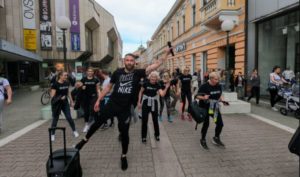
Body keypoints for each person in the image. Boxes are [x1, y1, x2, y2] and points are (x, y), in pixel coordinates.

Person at [75, 48, 172, 171]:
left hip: (125, 108)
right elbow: (108, 87)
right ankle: (83, 141)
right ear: (124, 61)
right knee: (98, 121)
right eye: (127, 60)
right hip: (112, 104)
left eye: (132, 60)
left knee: (124, 132)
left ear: (134, 63)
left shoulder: (138, 73)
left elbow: (157, 64)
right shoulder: (117, 72)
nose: (130, 62)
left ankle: (123, 155)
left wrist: (166, 53)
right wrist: (99, 100)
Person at [196, 72, 228, 150]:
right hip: (205, 108)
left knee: (220, 124)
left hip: (214, 108)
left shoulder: (218, 85)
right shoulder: (204, 86)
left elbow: (219, 95)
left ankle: (216, 138)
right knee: (206, 124)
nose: (218, 80)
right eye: (216, 79)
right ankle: (202, 139)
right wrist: (204, 98)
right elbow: (196, 96)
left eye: (218, 79)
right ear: (211, 79)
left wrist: (223, 100)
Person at [138, 71, 170, 143]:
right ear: (150, 77)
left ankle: (157, 135)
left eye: (155, 77)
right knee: (144, 121)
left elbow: (162, 95)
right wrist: (139, 102)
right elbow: (140, 92)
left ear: (156, 78)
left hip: (154, 103)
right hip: (145, 103)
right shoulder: (145, 83)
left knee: (155, 120)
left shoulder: (158, 85)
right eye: (152, 77)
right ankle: (144, 137)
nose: (153, 78)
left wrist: (166, 88)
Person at [50, 71, 79, 141]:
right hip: (57, 104)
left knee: (69, 117)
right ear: (60, 76)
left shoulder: (66, 83)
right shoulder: (55, 84)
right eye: (65, 75)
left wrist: (71, 101)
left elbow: (68, 93)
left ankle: (74, 131)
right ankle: (52, 134)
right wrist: (60, 98)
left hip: (65, 103)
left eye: (66, 75)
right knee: (55, 119)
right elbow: (52, 96)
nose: (66, 77)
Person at [80, 68, 101, 133]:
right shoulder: (83, 79)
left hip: (93, 96)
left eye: (91, 71)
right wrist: (81, 87)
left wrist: (100, 97)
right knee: (86, 111)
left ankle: (90, 124)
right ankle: (86, 124)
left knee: (92, 110)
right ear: (87, 72)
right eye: (89, 71)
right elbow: (78, 86)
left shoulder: (96, 79)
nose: (90, 72)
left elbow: (98, 89)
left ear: (93, 72)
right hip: (85, 97)